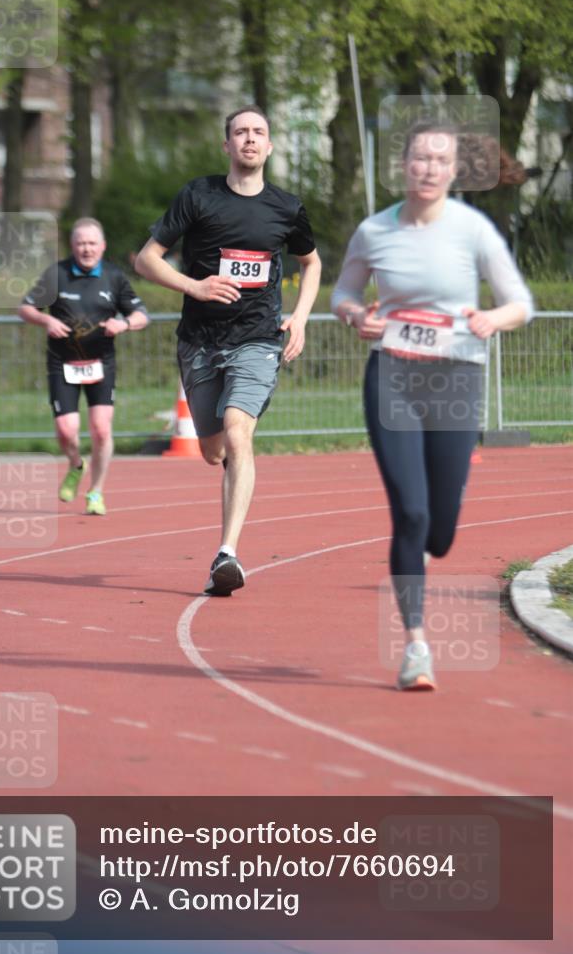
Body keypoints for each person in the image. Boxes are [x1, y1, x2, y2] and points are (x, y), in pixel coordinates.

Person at [331, 122, 533, 691]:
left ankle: (434, 533)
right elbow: (342, 293)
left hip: (457, 377)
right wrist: (355, 316)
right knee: (410, 513)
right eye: (420, 157)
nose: (428, 168)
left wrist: (493, 318)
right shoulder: (375, 231)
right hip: (391, 374)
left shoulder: (473, 229)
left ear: (453, 171)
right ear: (405, 166)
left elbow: (520, 302)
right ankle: (416, 645)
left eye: (440, 159)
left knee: (440, 531)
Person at [135, 105, 321, 596]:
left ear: (270, 145)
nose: (250, 139)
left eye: (259, 132)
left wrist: (298, 316)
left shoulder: (287, 207)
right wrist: (193, 287)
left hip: (257, 338)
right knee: (212, 449)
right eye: (240, 132)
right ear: (227, 145)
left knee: (239, 435)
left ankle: (227, 554)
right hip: (199, 341)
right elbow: (145, 259)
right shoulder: (198, 195)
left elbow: (312, 262)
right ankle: (222, 487)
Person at [18, 218, 149, 515]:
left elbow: (142, 315)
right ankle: (77, 463)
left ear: (102, 246)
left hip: (101, 362)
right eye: (80, 243)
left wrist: (124, 323)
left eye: (92, 243)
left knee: (102, 430)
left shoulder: (114, 277)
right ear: (72, 246)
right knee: (67, 429)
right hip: (62, 361)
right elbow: (25, 308)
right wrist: (47, 319)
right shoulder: (57, 274)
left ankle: (96, 492)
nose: (86, 249)